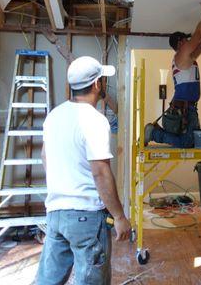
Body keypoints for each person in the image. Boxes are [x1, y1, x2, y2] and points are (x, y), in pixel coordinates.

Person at [36, 56, 131, 285]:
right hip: (86, 217)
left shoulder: (54, 116)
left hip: (56, 213)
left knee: (48, 280)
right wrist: (119, 216)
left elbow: (44, 157)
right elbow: (100, 172)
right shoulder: (95, 121)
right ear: (98, 84)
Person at [144, 0, 201, 148]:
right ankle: (154, 133)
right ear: (180, 43)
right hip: (184, 108)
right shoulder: (181, 54)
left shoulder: (188, 57)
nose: (189, 41)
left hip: (186, 108)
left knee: (190, 142)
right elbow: (198, 35)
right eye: (186, 39)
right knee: (188, 143)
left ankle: (155, 132)